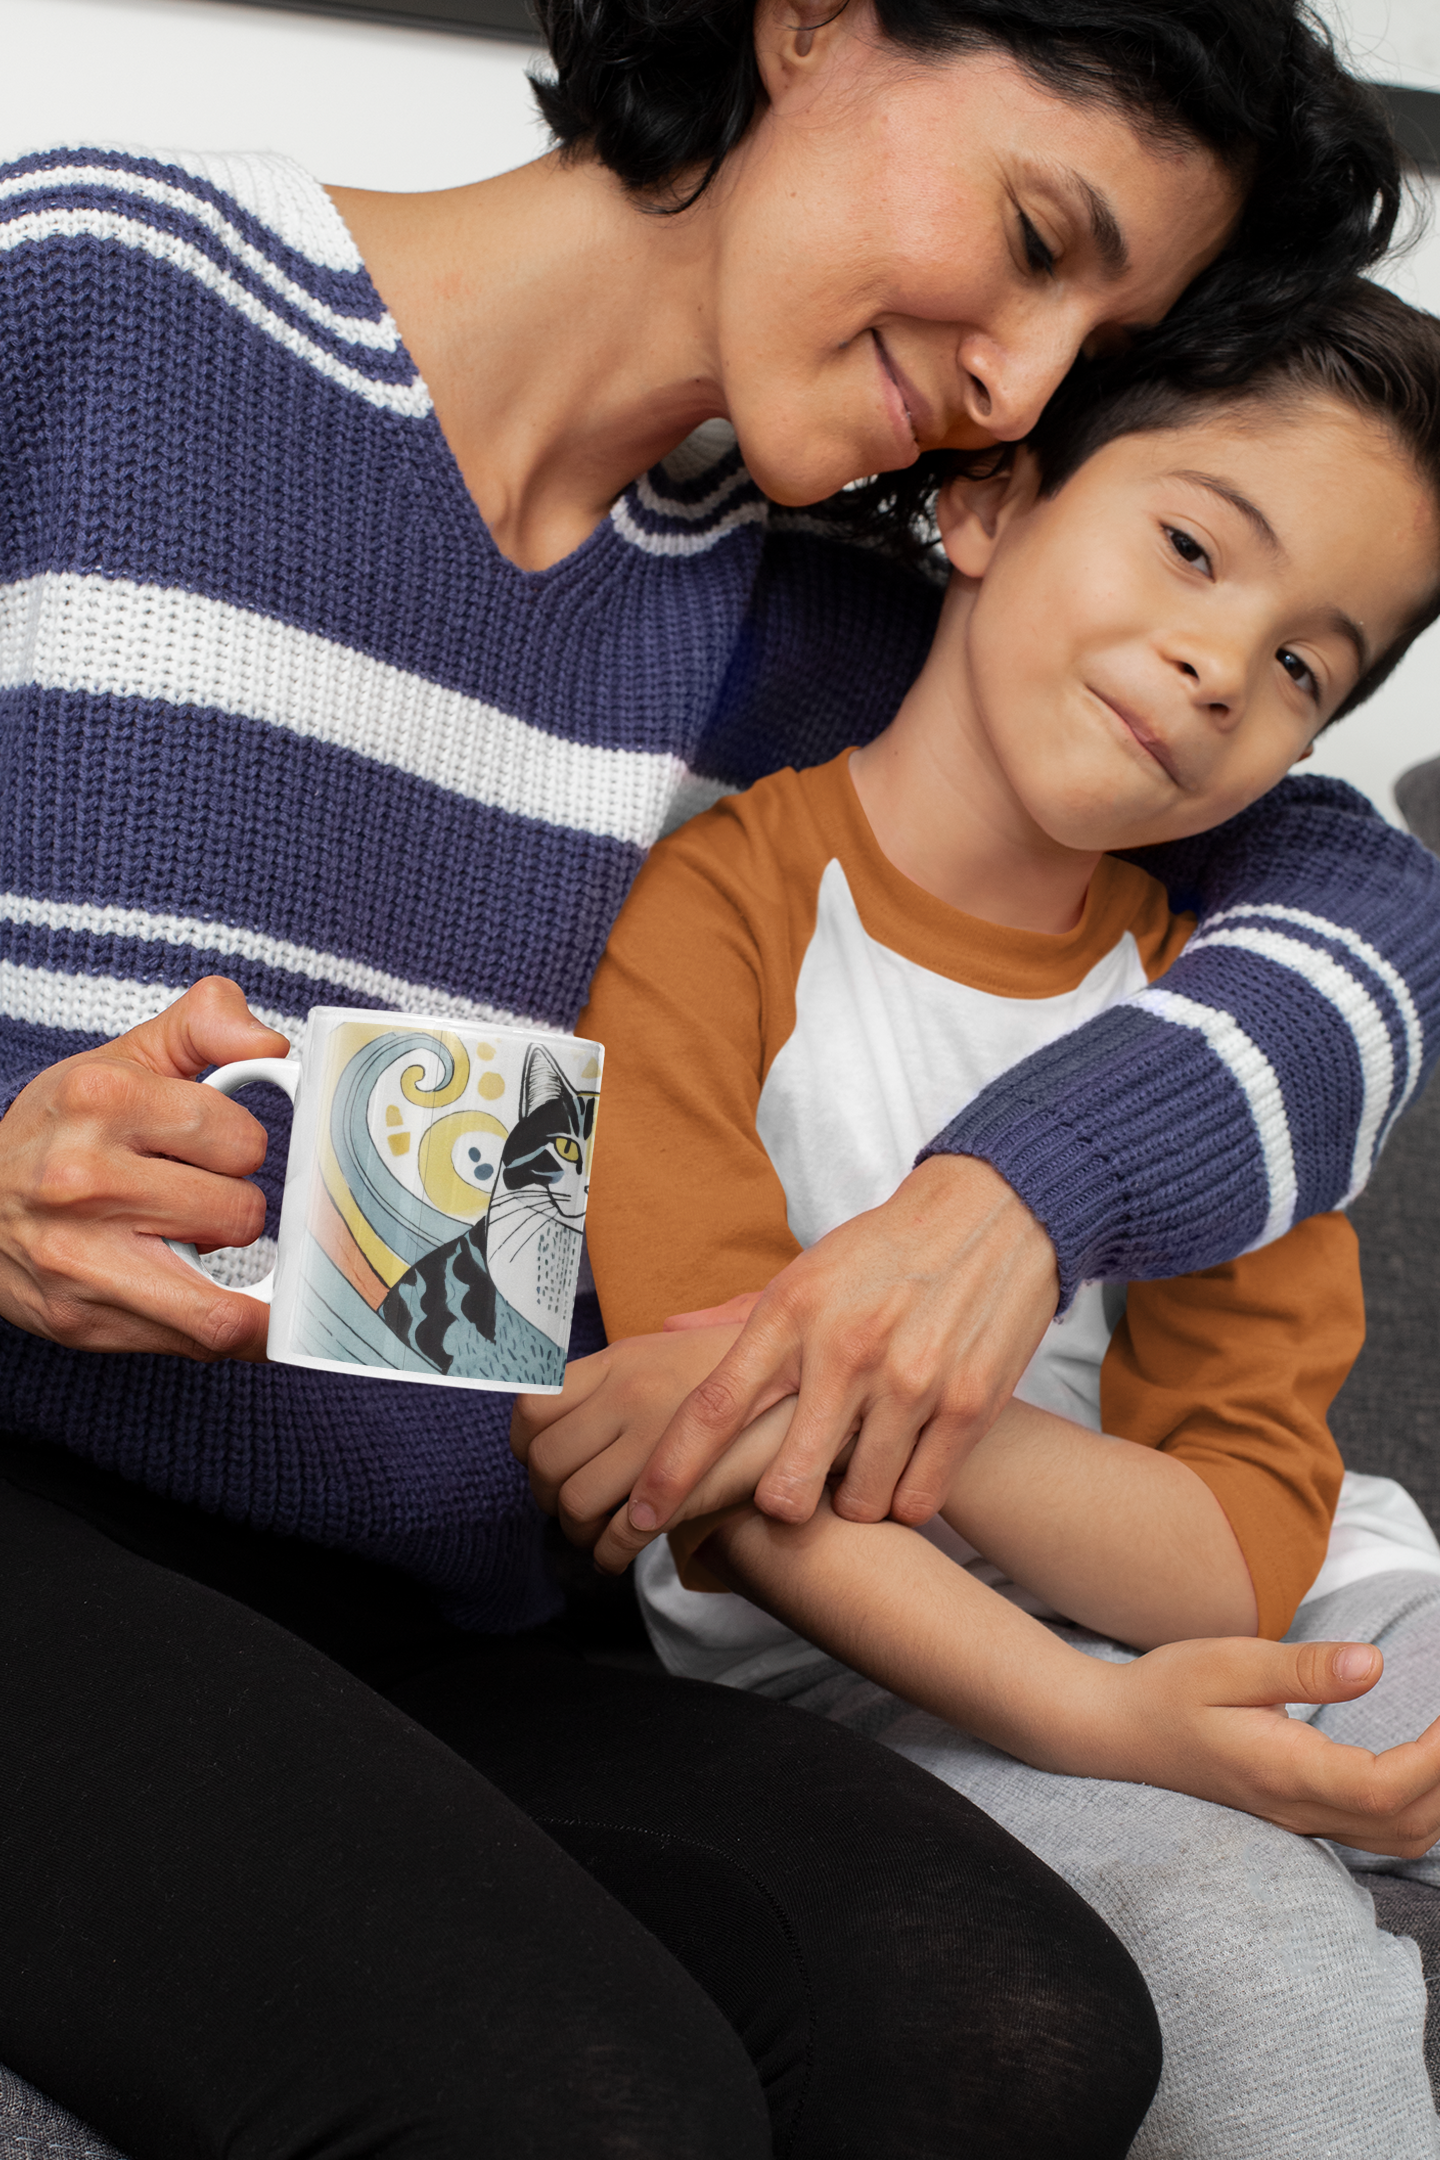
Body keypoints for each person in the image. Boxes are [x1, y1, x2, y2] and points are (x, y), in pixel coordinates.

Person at [0, 0, 1430, 2151]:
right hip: (35, 1514)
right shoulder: (102, 295)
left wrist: (1018, 1190)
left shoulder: (798, 590)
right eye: (1037, 235)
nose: (1019, 385)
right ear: (813, 24)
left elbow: (1355, 889)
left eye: (1095, 332)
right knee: (569, 2101)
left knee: (1017, 2032)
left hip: (449, 1598)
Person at [531, 278, 1440, 2156]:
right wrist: (1100, 1712)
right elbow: (726, 1492)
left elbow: (1245, 1555)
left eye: (1302, 668)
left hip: (1315, 1595)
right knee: (1261, 1979)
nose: (1218, 662)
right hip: (861, 1666)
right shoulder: (711, 916)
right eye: (1192, 546)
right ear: (992, 501)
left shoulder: (1224, 1028)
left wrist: (831, 1373)